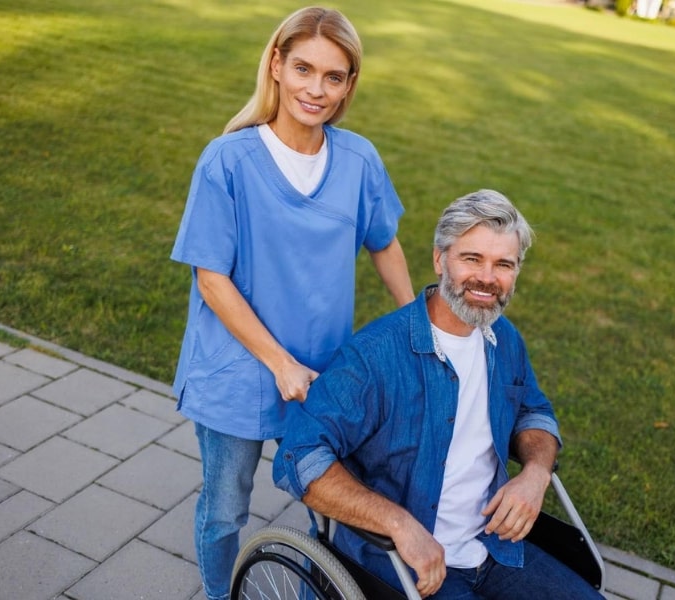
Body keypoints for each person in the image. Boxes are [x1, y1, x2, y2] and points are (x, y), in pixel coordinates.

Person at [169, 7, 415, 600]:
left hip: (324, 375)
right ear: (276, 64)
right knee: (226, 506)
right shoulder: (226, 161)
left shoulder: (358, 160)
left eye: (334, 76)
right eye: (303, 68)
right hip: (239, 375)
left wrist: (419, 326)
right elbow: (211, 281)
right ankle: (218, 592)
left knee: (329, 510)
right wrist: (278, 362)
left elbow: (383, 243)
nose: (316, 89)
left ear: (349, 84)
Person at [274, 190, 603, 599]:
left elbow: (533, 411)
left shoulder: (504, 339)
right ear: (439, 259)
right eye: (472, 259)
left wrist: (536, 474)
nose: (487, 278)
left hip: (494, 548)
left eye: (503, 264)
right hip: (406, 564)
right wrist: (399, 523)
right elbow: (298, 457)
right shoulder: (374, 356)